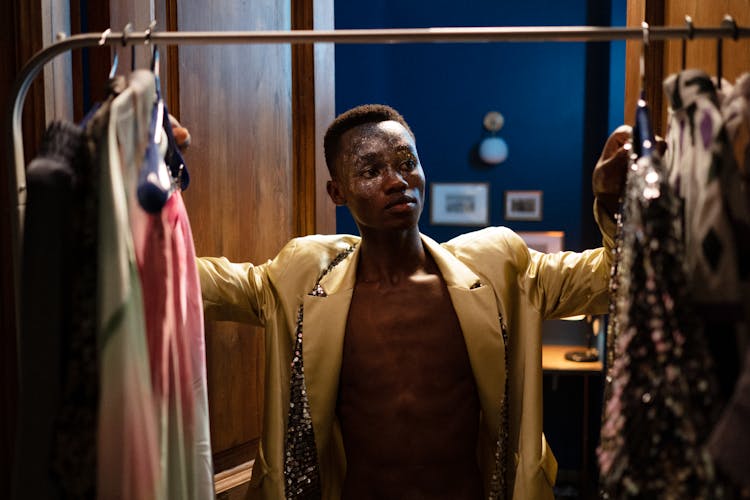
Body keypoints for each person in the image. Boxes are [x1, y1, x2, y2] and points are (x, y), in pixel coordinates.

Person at [197, 104, 628, 500]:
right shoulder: (301, 278)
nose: (397, 180)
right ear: (337, 192)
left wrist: (614, 204)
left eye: (407, 163)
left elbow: (617, 278)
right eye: (371, 170)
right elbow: (197, 284)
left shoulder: (500, 268)